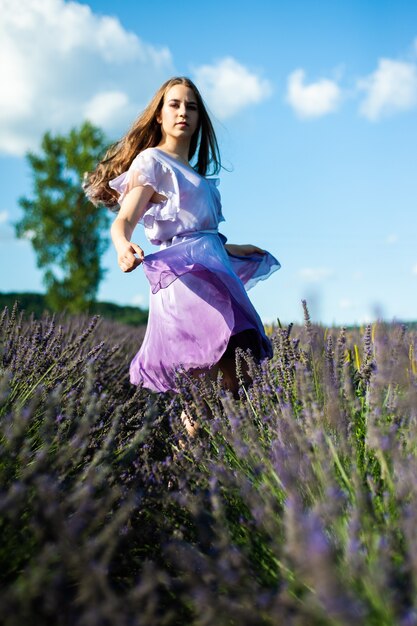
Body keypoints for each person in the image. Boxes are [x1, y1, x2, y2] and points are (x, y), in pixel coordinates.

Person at [84, 76, 280, 428]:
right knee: (207, 383)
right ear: (159, 115)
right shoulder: (152, 162)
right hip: (184, 281)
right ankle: (185, 472)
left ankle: (201, 466)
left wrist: (233, 247)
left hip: (212, 274)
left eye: (191, 106)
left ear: (199, 118)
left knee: (240, 376)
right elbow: (125, 219)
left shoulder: (199, 177)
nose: (183, 112)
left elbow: (199, 234)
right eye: (174, 104)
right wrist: (122, 246)